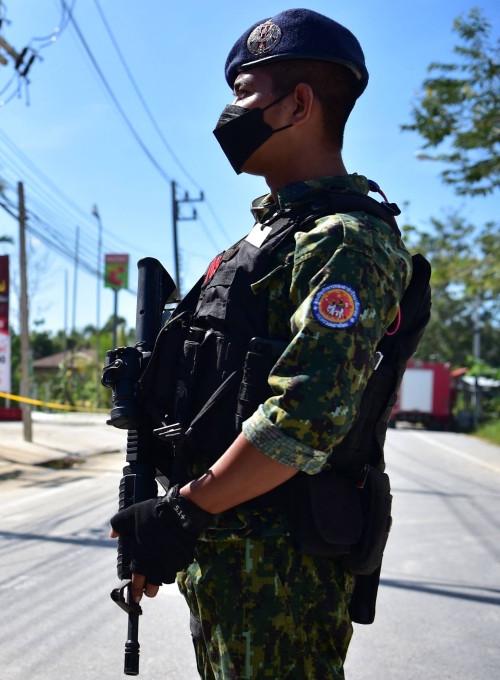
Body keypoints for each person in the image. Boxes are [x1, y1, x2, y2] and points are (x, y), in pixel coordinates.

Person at [109, 8, 423, 679]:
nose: (231, 113)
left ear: (299, 104)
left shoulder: (345, 240)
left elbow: (302, 419)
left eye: (246, 94)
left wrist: (183, 512)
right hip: (228, 552)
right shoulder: (262, 241)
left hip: (281, 569)